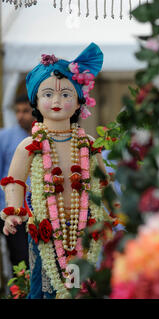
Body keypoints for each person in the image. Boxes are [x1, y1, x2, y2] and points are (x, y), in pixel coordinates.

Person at [0, 43, 113, 299]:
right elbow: (15, 180)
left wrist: (116, 215)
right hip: (45, 232)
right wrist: (13, 212)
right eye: (48, 94)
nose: (57, 101)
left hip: (85, 229)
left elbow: (102, 182)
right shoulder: (30, 145)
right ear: (36, 103)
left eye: (66, 95)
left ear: (78, 103)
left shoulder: (88, 144)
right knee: (45, 287)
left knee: (86, 288)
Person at [0, 94, 35, 271]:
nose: (20, 116)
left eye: (26, 111)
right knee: (21, 261)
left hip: (39, 212)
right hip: (13, 211)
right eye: (17, 111)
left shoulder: (45, 136)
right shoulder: (5, 137)